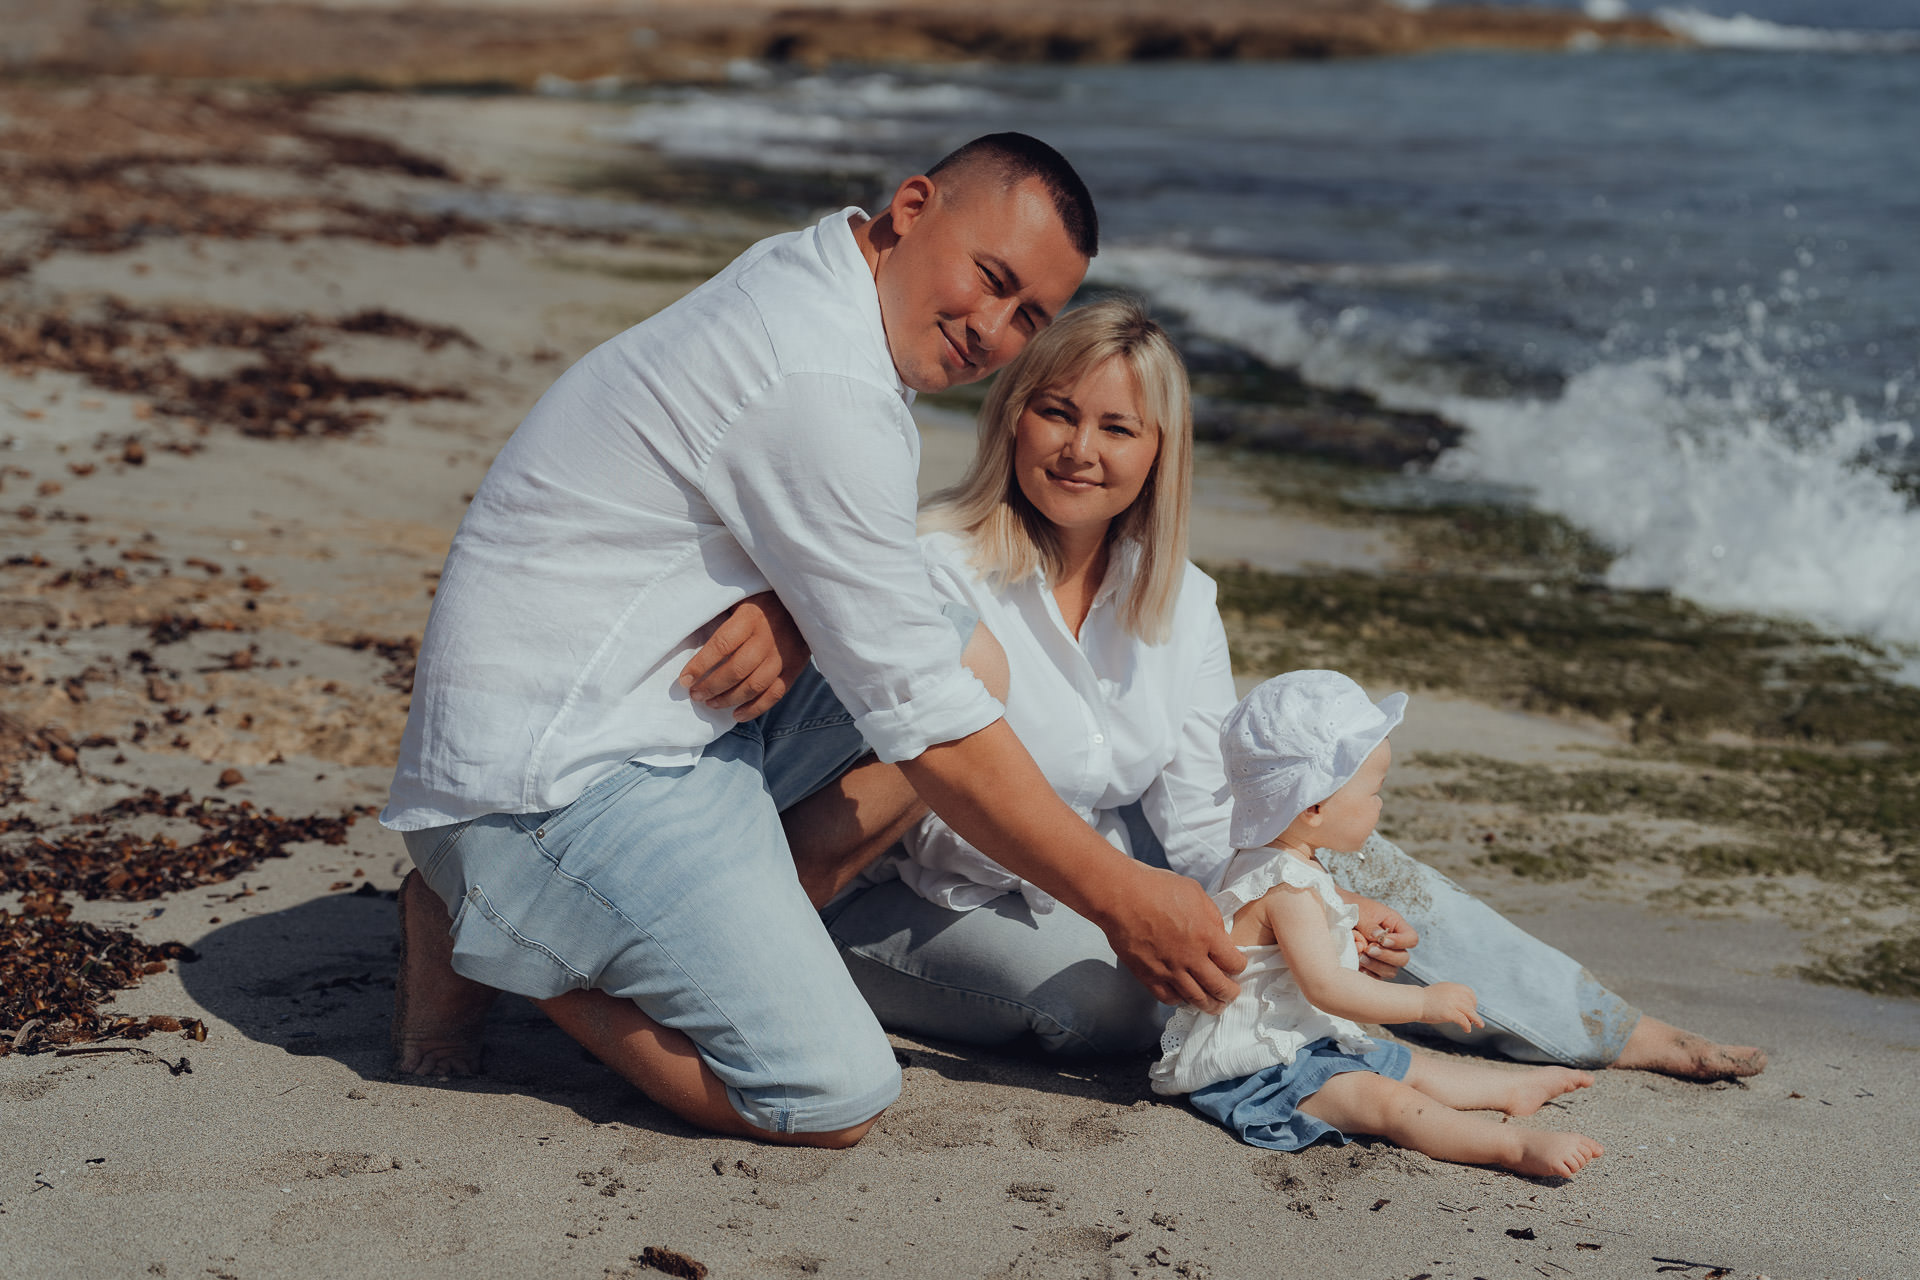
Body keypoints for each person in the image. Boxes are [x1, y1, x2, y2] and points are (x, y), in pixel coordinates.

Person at [381, 134, 1246, 1149]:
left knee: (969, 651)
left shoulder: (819, 277)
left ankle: (708, 930)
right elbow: (928, 719)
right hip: (552, 782)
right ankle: (498, 927)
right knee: (830, 1094)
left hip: (643, 709)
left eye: (1028, 316)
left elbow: (798, 522)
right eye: (990, 277)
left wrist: (796, 609)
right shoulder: (822, 375)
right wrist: (1120, 898)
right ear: (912, 208)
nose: (992, 329)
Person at [815, 296, 1766, 1081]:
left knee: (1344, 857)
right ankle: (1368, 1035)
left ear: (1159, 450)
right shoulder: (935, 563)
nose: (1080, 450)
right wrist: (1144, 906)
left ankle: (1601, 1026)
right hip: (929, 892)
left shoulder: (1178, 600)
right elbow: (932, 806)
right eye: (1057, 413)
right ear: (1014, 415)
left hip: (1109, 864)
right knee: (1124, 1003)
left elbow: (1208, 819)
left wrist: (1318, 904)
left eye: (1118, 427)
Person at [1149, 670, 1605, 1179]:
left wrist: (1350, 917)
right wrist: (1423, 1003)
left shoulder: (1276, 861)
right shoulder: (1288, 887)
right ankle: (1511, 1146)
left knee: (1404, 1064)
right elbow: (1327, 987)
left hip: (1299, 1039)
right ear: (1314, 806)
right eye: (1373, 791)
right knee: (1386, 1101)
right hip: (1258, 1070)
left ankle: (1511, 1089)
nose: (1380, 804)